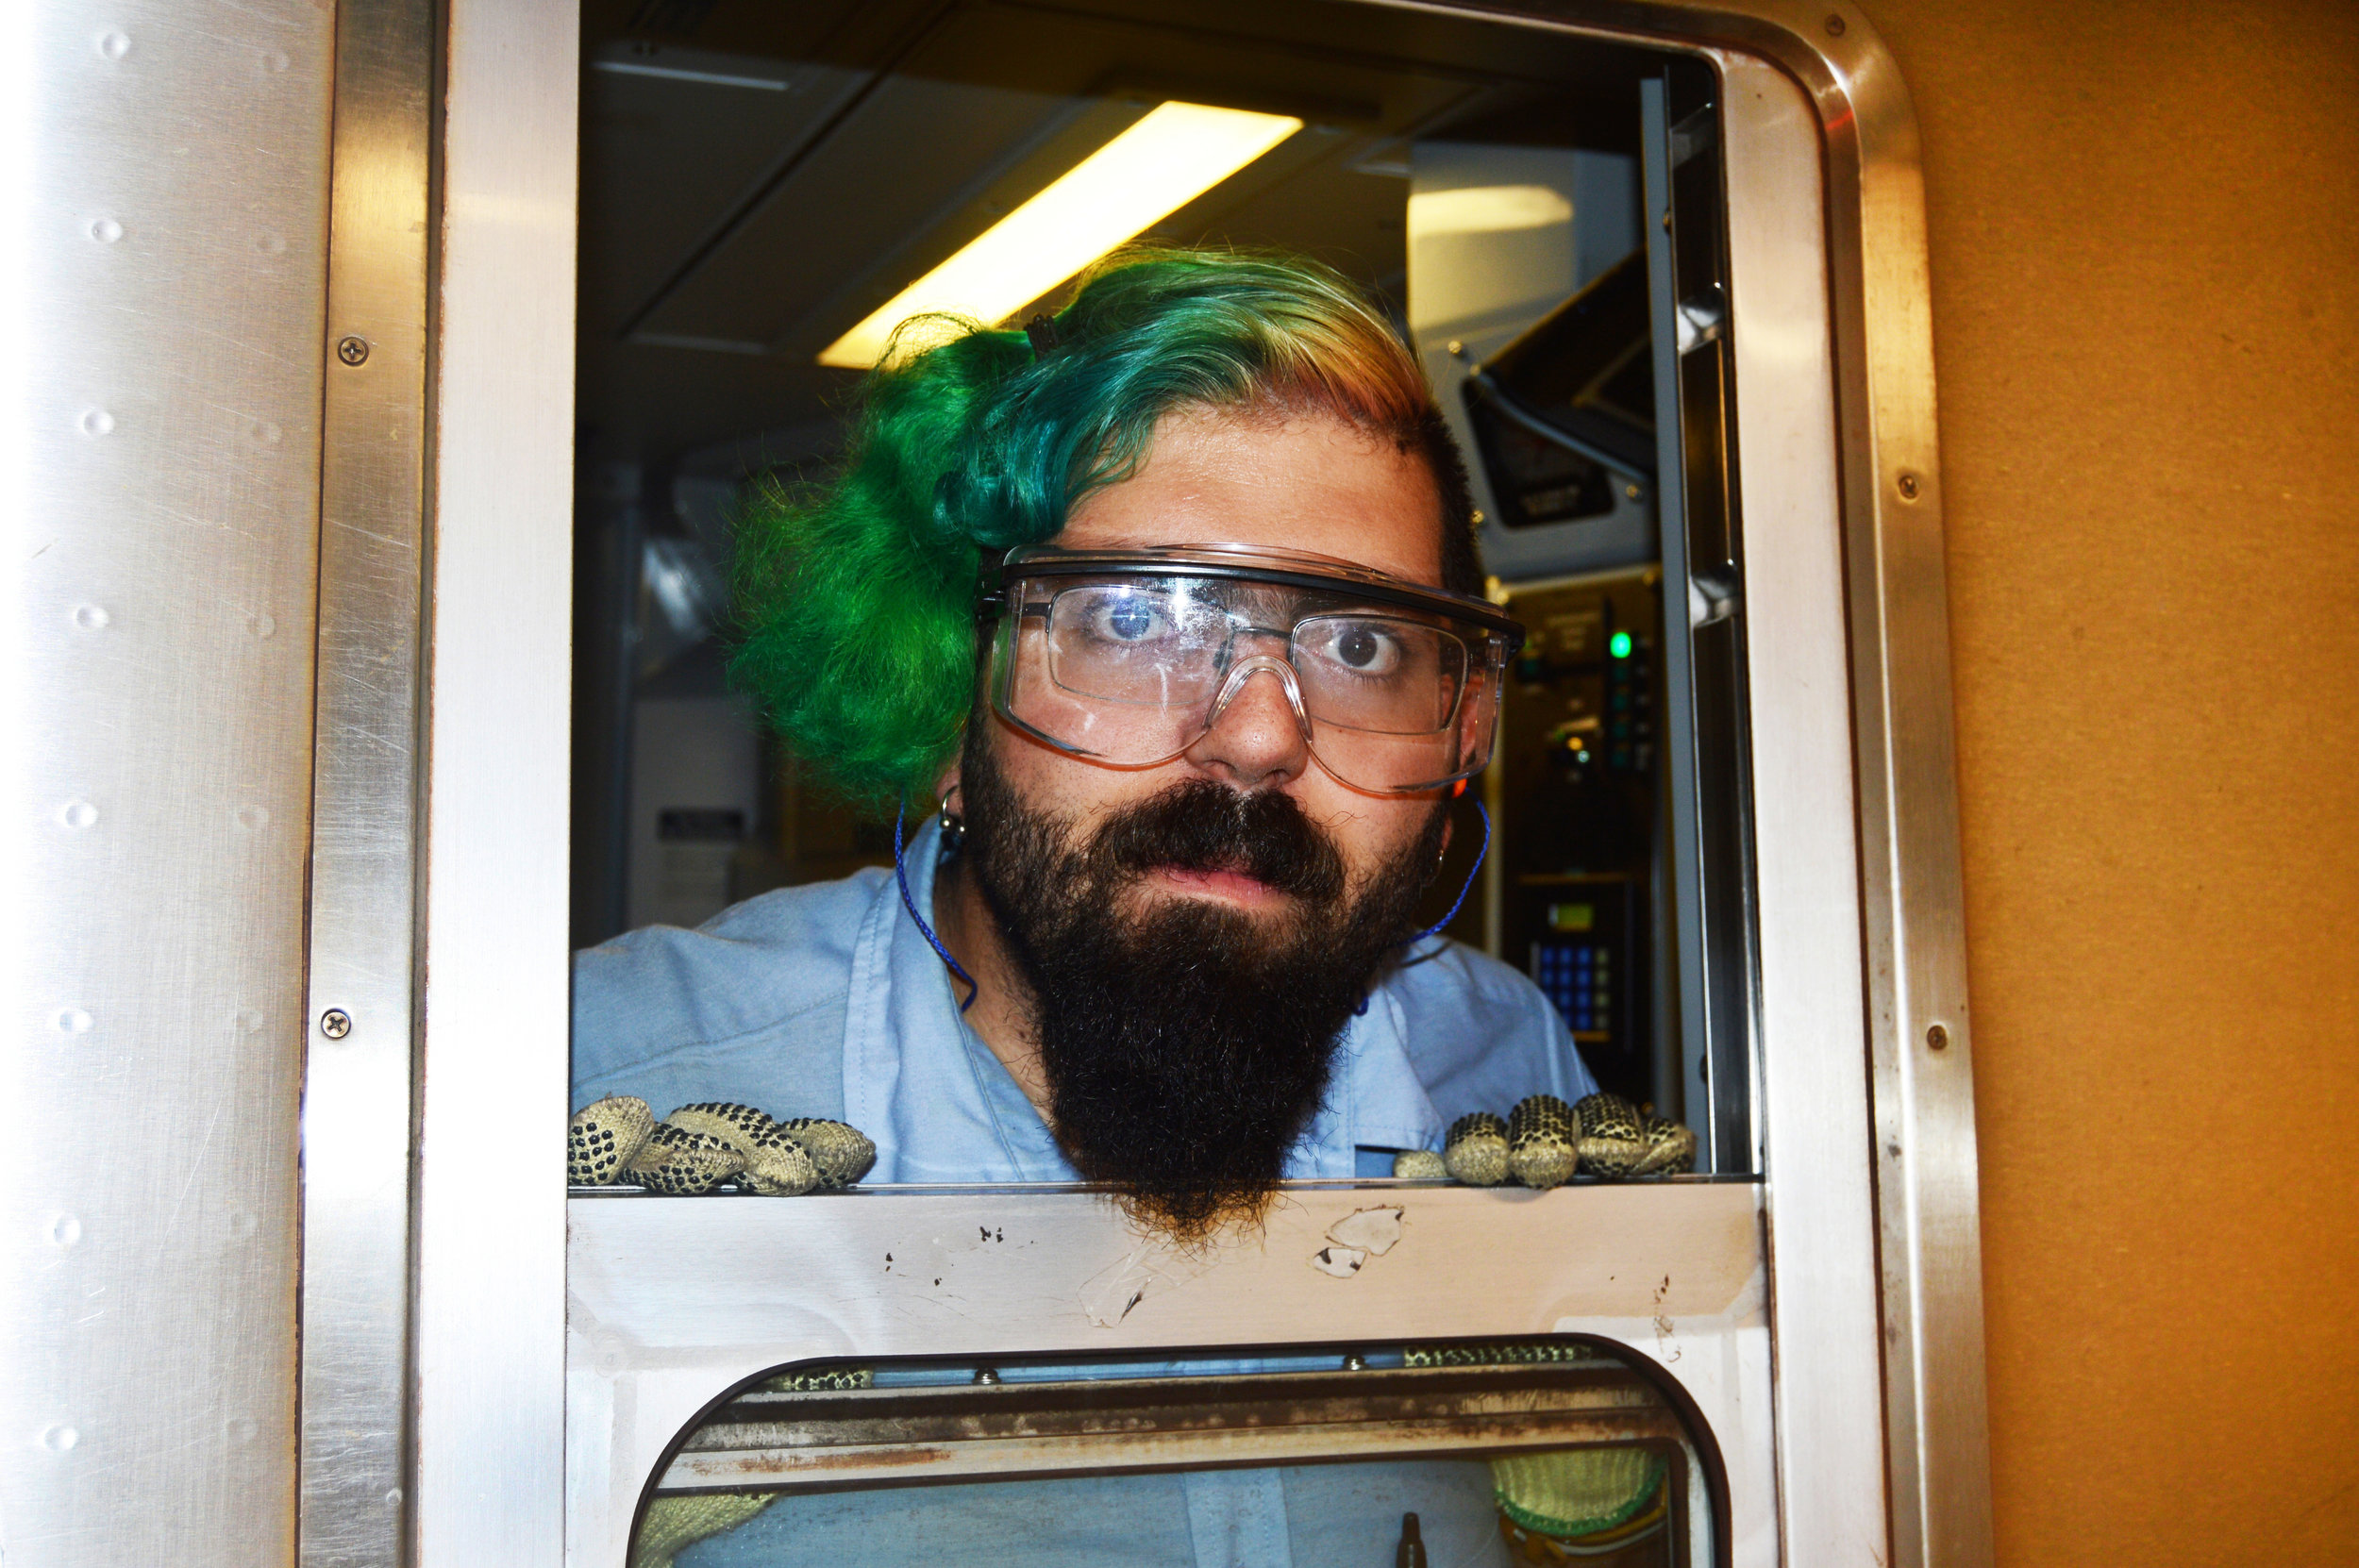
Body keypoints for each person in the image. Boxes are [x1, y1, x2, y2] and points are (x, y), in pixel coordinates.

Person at [573, 247, 1603, 1567]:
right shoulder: (609, 1089)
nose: (1255, 737)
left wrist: (1611, 1495)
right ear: (952, 694)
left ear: (1461, 728)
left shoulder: (1508, 1077)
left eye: (1358, 645)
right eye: (1133, 616)